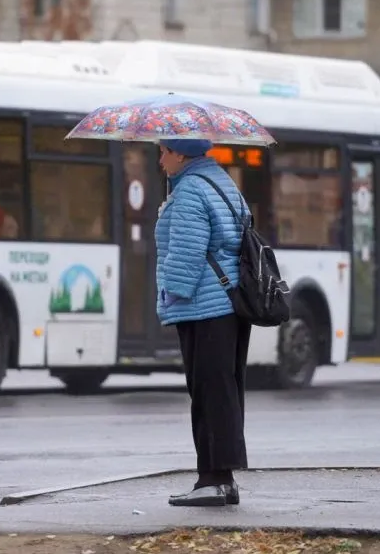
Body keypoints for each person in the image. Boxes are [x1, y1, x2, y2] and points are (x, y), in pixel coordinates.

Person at [154, 138, 253, 507]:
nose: (161, 159)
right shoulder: (222, 182)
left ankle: (212, 480)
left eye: (164, 151)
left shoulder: (191, 190)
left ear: (180, 153)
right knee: (224, 391)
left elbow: (186, 254)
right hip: (230, 303)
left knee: (208, 394)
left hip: (204, 307)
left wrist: (170, 295)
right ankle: (223, 480)